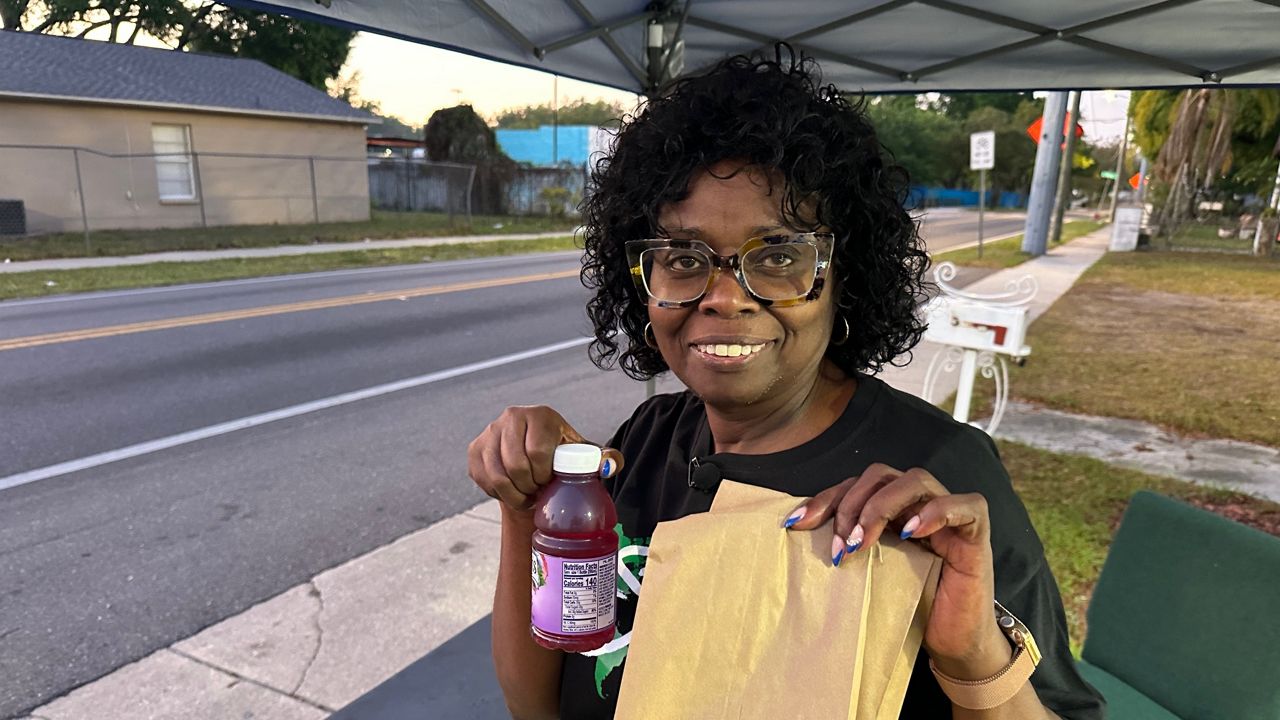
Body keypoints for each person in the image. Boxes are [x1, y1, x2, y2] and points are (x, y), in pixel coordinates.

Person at [467, 47, 1105, 720]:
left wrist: (975, 657)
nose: (723, 297)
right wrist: (527, 501)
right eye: (682, 257)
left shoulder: (939, 478)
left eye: (777, 255)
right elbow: (537, 706)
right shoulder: (646, 441)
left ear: (844, 276)